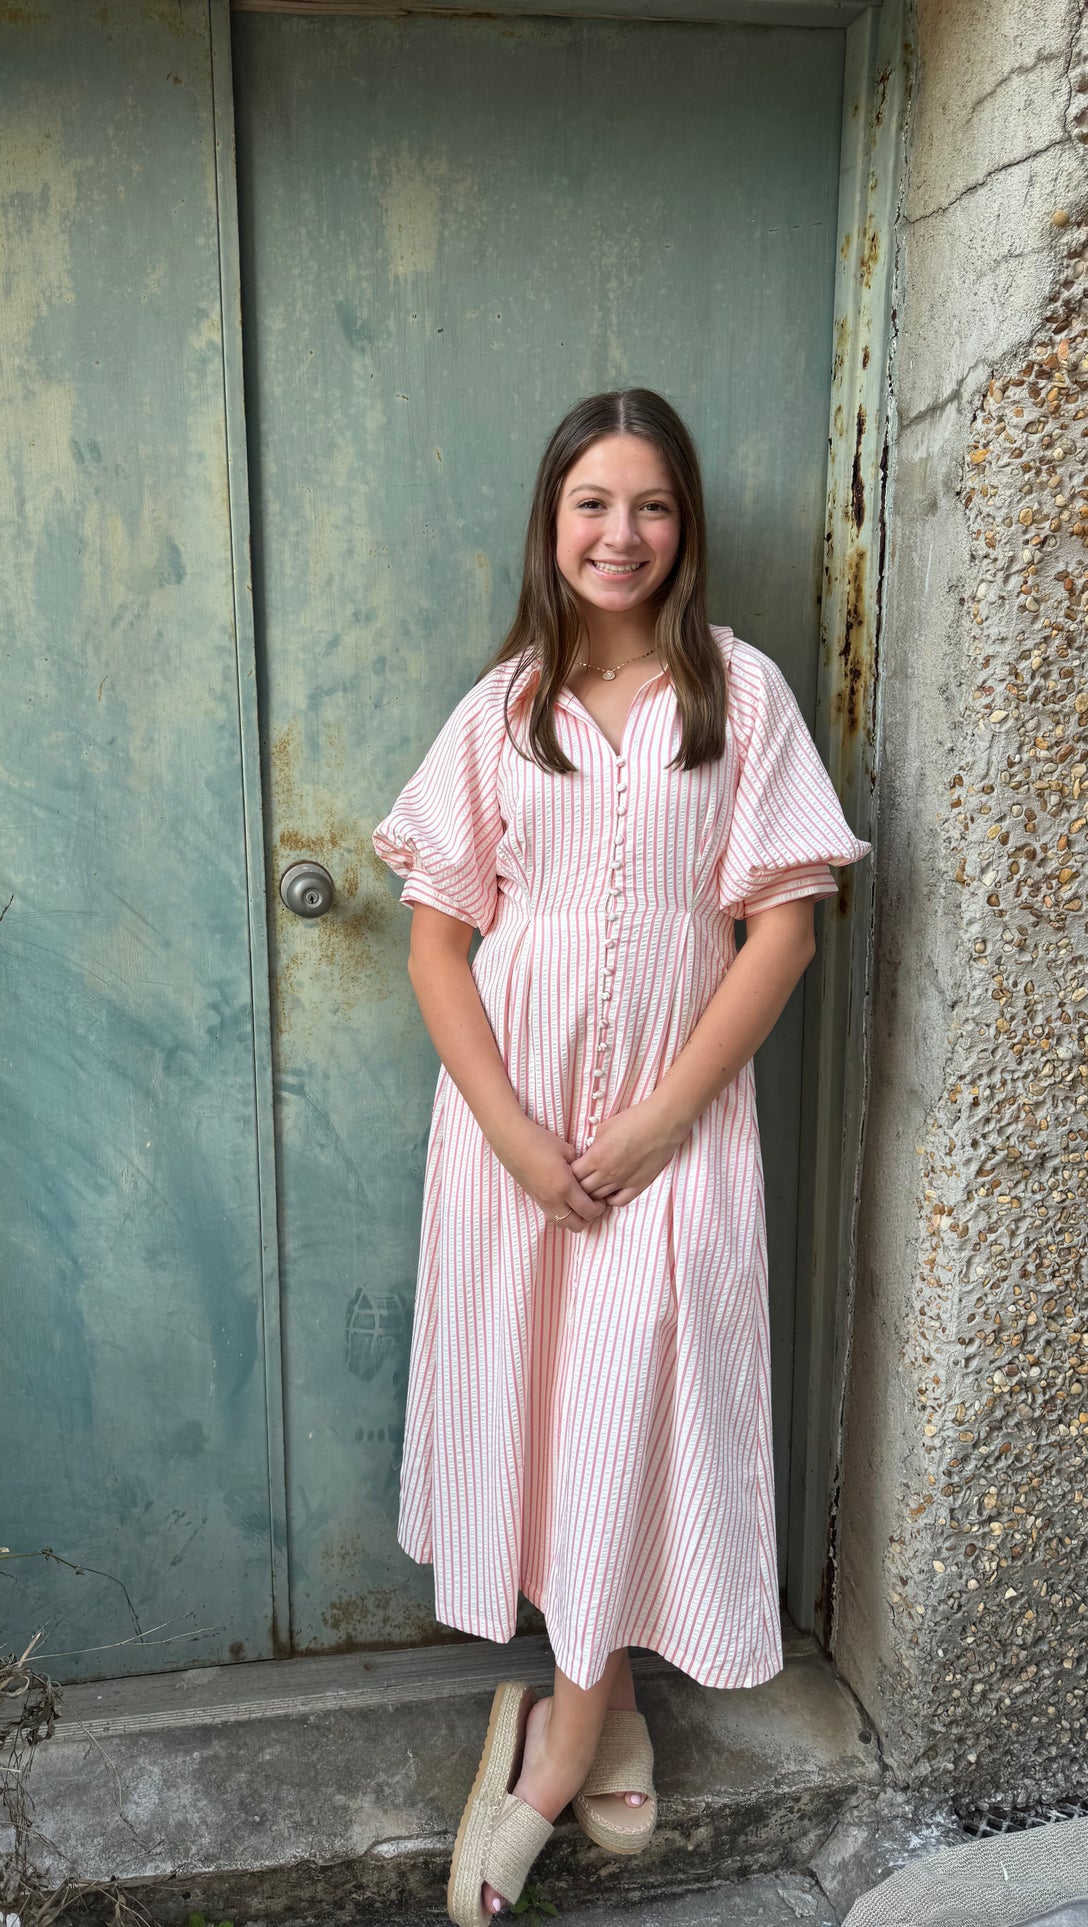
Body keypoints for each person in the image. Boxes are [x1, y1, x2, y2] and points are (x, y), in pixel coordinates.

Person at [370, 389, 873, 1927]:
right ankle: (601, 1706)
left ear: (685, 528)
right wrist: (522, 1141)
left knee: (632, 1410)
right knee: (544, 1415)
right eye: (592, 503)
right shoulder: (501, 708)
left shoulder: (741, 698)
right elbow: (437, 946)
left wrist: (653, 1124)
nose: (619, 534)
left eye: (649, 505)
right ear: (551, 522)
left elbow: (779, 929)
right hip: (508, 1139)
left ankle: (556, 1734)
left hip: (677, 1131)